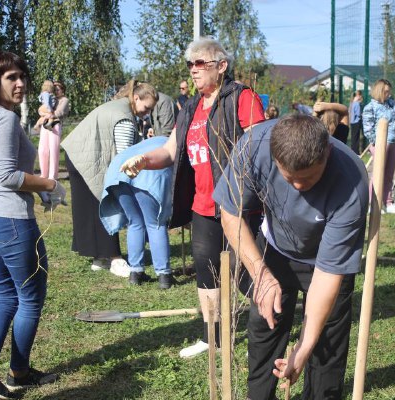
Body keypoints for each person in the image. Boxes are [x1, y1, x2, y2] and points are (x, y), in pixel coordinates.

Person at [212, 114, 368, 400]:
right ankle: (259, 399)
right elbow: (230, 215)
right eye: (288, 177)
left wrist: (303, 346)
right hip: (276, 246)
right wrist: (261, 275)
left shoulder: (351, 182)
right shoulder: (253, 147)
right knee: (263, 322)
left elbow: (328, 276)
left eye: (308, 178)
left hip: (324, 260)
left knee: (325, 344)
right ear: (274, 157)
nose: (298, 186)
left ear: (326, 154)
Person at [119, 36, 265, 359]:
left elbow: (260, 144)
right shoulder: (190, 107)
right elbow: (170, 151)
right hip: (203, 206)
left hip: (238, 205)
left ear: (221, 66)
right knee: (206, 271)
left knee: (247, 274)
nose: (193, 70)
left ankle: (267, 329)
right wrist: (144, 160)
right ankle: (211, 338)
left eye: (201, 63)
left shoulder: (242, 98)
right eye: (190, 64)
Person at [0, 50, 65, 400]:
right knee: (30, 298)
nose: (21, 83)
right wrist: (50, 185)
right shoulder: (5, 120)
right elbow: (7, 176)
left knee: (5, 296)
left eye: (23, 75)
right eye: (12, 78)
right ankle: (18, 373)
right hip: (8, 221)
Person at [61, 79, 157, 277]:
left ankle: (99, 257)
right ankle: (114, 258)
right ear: (136, 98)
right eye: (146, 107)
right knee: (106, 204)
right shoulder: (124, 118)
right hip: (85, 158)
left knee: (90, 209)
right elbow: (124, 156)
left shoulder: (119, 107)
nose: (146, 113)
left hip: (76, 155)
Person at [100, 136, 174, 288]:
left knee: (134, 222)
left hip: (117, 172)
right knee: (156, 224)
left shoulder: (156, 141)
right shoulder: (170, 144)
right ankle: (164, 275)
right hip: (146, 174)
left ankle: (135, 272)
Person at [362, 78, 395, 214]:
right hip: (379, 143)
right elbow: (368, 130)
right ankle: (372, 202)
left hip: (393, 142)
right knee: (377, 174)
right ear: (379, 91)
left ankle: (387, 201)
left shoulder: (391, 103)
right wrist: (376, 145)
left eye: (389, 92)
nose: (388, 95)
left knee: (389, 174)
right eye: (386, 92)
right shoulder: (370, 107)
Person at [38, 80, 69, 182]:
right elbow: (40, 109)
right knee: (42, 150)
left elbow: (59, 112)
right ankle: (44, 174)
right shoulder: (50, 98)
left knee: (53, 150)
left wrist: (48, 113)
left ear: (62, 90)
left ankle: (53, 176)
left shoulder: (64, 100)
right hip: (45, 123)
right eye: (54, 89)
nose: (56, 91)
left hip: (55, 125)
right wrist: (44, 112)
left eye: (58, 89)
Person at [348, 90, 363, 154]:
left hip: (352, 122)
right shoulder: (357, 104)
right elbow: (358, 114)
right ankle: (356, 151)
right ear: (358, 95)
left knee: (353, 137)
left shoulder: (351, 103)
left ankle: (353, 150)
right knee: (356, 137)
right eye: (360, 95)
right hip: (356, 122)